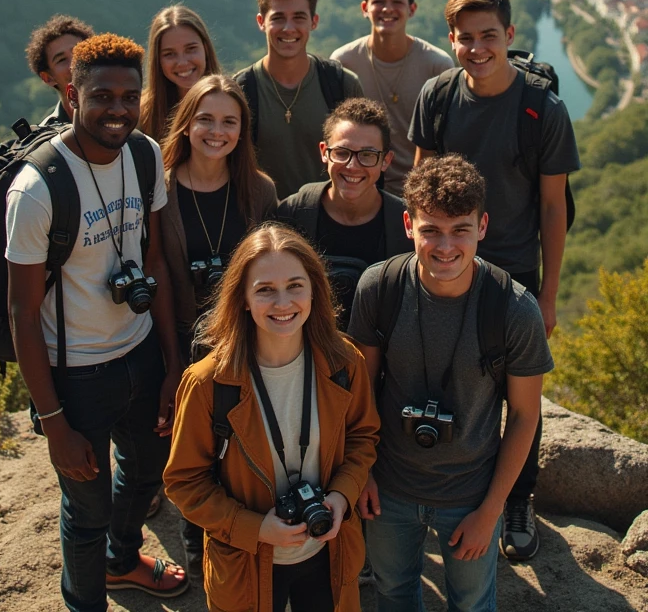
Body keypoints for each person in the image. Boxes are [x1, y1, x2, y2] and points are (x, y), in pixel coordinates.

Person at [6, 33, 188, 611]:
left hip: (139, 352)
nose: (117, 109)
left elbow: (154, 260)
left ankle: (123, 561)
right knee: (86, 511)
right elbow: (21, 311)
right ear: (70, 93)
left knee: (143, 474)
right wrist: (55, 422)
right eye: (101, 95)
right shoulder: (37, 189)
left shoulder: (144, 154)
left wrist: (171, 363)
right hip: (77, 374)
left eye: (129, 96)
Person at [408, 0, 580, 562]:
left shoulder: (542, 111)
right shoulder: (436, 97)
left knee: (516, 395)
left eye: (489, 36)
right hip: (442, 264)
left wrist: (548, 296)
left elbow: (553, 208)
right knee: (437, 378)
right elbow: (419, 190)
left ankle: (516, 503)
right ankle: (438, 492)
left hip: (509, 270)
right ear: (451, 40)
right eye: (465, 38)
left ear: (509, 35)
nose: (477, 48)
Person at [349, 155, 552, 612]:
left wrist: (492, 510)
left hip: (471, 494)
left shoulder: (513, 310)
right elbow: (359, 392)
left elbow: (524, 416)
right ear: (408, 224)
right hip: (388, 488)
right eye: (431, 230)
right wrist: (359, 474)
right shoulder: (379, 289)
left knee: (472, 603)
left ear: (482, 226)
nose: (445, 247)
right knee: (392, 595)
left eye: (460, 229)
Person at [164, 223, 380, 612]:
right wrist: (256, 528)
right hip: (248, 562)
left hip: (329, 551)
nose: (283, 303)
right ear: (243, 299)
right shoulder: (207, 383)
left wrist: (340, 496)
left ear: (315, 289)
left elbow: (364, 438)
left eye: (296, 285)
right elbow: (184, 483)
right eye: (265, 290)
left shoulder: (345, 362)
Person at [160, 73, 278, 568]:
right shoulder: (160, 189)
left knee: (240, 444)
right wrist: (170, 361)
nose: (217, 130)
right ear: (186, 124)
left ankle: (249, 530)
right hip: (181, 335)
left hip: (243, 339)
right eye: (205, 118)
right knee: (193, 447)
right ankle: (197, 534)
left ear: (242, 130)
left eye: (229, 121)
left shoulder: (259, 190)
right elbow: (158, 275)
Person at [278, 98, 408, 328]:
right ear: (324, 152)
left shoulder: (406, 225)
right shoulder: (293, 214)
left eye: (367, 155)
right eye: (342, 152)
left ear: (386, 161)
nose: (352, 166)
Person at [236, 0, 362, 198]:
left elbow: (363, 159)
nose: (288, 28)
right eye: (278, 18)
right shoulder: (241, 90)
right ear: (261, 22)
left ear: (314, 22)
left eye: (299, 18)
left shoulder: (340, 84)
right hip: (264, 223)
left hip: (329, 219)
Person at [330, 0, 452, 197]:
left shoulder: (437, 65)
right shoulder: (344, 62)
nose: (387, 9)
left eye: (397, 1)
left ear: (412, 9)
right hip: (359, 187)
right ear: (365, 7)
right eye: (378, 1)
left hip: (419, 190)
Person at [139, 4, 220, 142]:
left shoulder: (231, 104)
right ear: (158, 60)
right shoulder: (141, 114)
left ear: (205, 48)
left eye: (191, 49)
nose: (182, 62)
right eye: (169, 54)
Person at [25, 14, 94, 124]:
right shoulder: (48, 138)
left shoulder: (126, 116)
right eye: (61, 60)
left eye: (78, 51)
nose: (75, 63)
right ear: (48, 78)